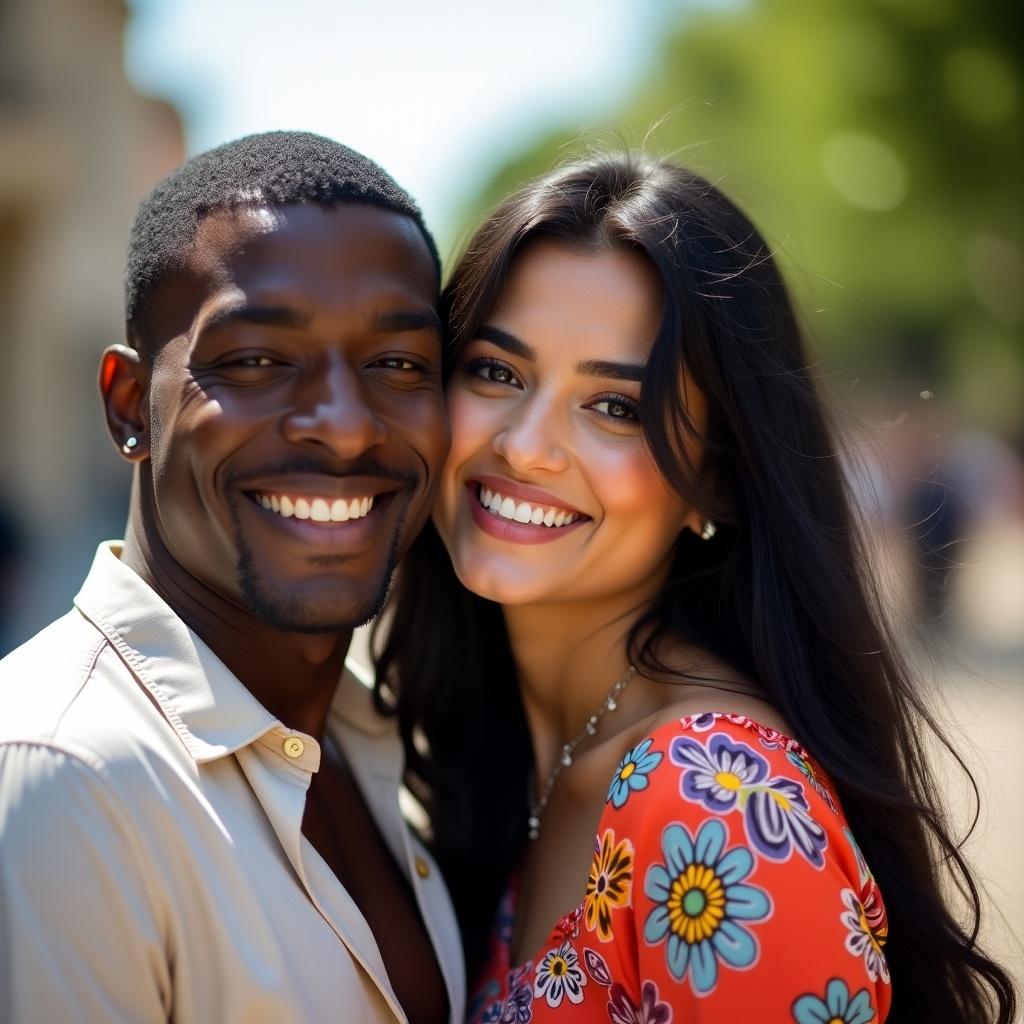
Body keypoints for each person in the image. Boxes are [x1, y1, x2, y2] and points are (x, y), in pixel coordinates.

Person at [373, 154, 1018, 1022]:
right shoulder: (511, 748)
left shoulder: (714, 797)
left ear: (714, 481)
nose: (525, 446)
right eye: (496, 371)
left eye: (616, 408)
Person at [0, 131, 461, 1024]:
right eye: (256, 361)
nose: (345, 427)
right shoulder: (63, 782)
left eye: (398, 365)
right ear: (130, 405)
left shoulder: (379, 747)